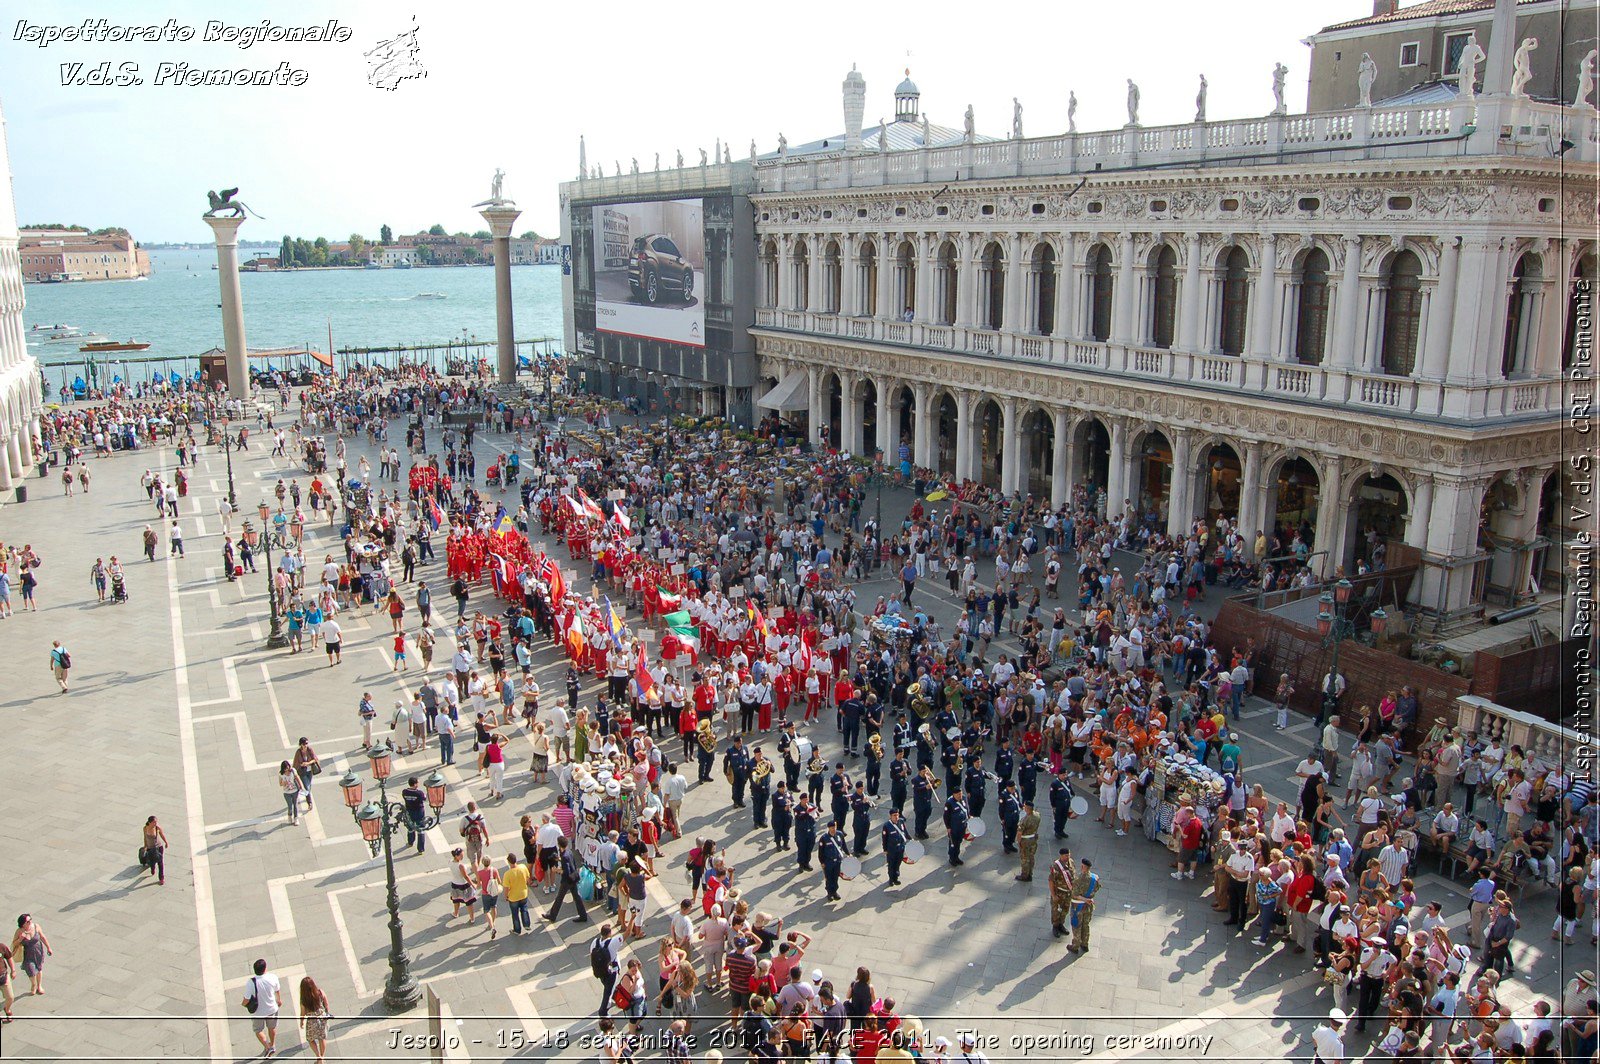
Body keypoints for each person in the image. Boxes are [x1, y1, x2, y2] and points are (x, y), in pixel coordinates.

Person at [241, 958, 282, 1057]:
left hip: (258, 1012)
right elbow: (277, 990)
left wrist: (243, 1004)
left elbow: (246, 999)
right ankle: (272, 1044)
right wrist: (279, 1000)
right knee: (272, 1027)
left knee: (258, 1030)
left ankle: (267, 1046)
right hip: (272, 1008)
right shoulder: (273, 977)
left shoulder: (251, 983)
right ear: (265, 968)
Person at [545, 837, 590, 924]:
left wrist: (556, 870)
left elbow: (566, 872)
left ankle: (552, 915)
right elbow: (571, 863)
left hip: (567, 880)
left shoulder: (564, 856)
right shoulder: (568, 851)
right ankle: (583, 915)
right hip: (574, 877)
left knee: (559, 898)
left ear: (559, 845)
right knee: (577, 897)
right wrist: (559, 860)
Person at [11, 915, 50, 998]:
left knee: (39, 968)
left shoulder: (36, 926)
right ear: (23, 924)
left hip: (38, 951)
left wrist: (48, 947)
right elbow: (14, 943)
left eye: (30, 920)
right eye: (28, 921)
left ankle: (39, 986)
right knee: (31, 970)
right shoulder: (19, 931)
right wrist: (20, 939)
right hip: (27, 954)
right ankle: (33, 985)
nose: (30, 922)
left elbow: (42, 937)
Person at [298, 976, 332, 1063]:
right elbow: (326, 1004)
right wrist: (327, 1012)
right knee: (322, 1038)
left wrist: (301, 1021)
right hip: (322, 1018)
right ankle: (322, 1057)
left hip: (311, 1021)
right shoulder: (320, 992)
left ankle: (318, 1056)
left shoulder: (303, 1000)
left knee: (310, 1039)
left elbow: (303, 1013)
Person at [140, 815, 169, 885]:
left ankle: (161, 878)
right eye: (154, 822)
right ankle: (152, 868)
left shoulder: (157, 828)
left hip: (158, 847)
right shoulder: (145, 828)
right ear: (149, 822)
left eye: (156, 822)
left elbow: (162, 835)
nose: (155, 823)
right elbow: (145, 838)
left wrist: (166, 842)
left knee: (160, 862)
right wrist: (145, 846)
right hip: (150, 848)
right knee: (151, 862)